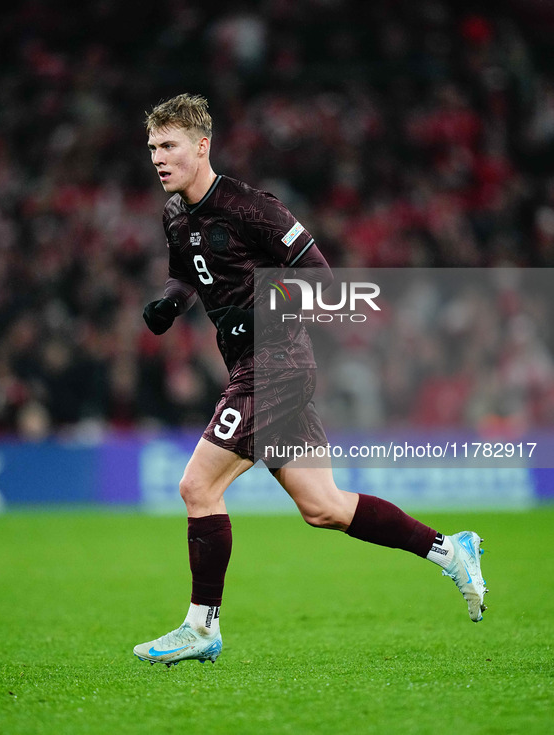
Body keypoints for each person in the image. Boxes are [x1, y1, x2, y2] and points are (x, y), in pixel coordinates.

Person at [133, 94, 487, 667]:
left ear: (202, 146)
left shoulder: (253, 208)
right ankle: (452, 552)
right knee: (323, 506)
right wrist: (170, 304)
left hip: (275, 366)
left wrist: (265, 308)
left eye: (169, 146)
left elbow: (321, 280)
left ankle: (201, 627)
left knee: (198, 488)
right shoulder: (175, 212)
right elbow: (186, 272)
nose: (158, 157)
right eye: (152, 147)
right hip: (252, 366)